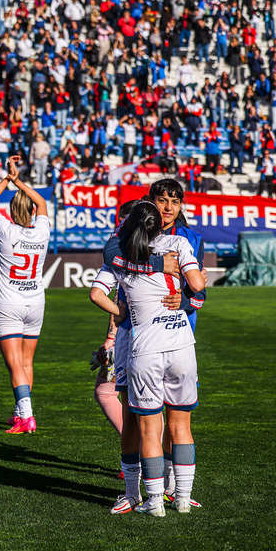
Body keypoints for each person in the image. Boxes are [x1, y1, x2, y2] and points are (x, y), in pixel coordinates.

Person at [89, 201, 205, 517]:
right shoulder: (179, 244)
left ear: (129, 224)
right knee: (181, 425)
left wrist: (120, 312)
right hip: (182, 343)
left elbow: (96, 293)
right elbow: (196, 287)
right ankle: (181, 497)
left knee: (148, 428)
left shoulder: (122, 254)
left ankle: (153, 501)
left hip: (145, 348)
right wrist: (192, 292)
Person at [0, 155, 50, 434]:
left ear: (11, 211)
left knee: (14, 364)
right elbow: (43, 202)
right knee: (26, 362)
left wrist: (7, 180)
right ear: (33, 211)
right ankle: (21, 411)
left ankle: (27, 416)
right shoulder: (43, 229)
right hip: (36, 302)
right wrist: (19, 180)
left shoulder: (6, 230)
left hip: (9, 302)